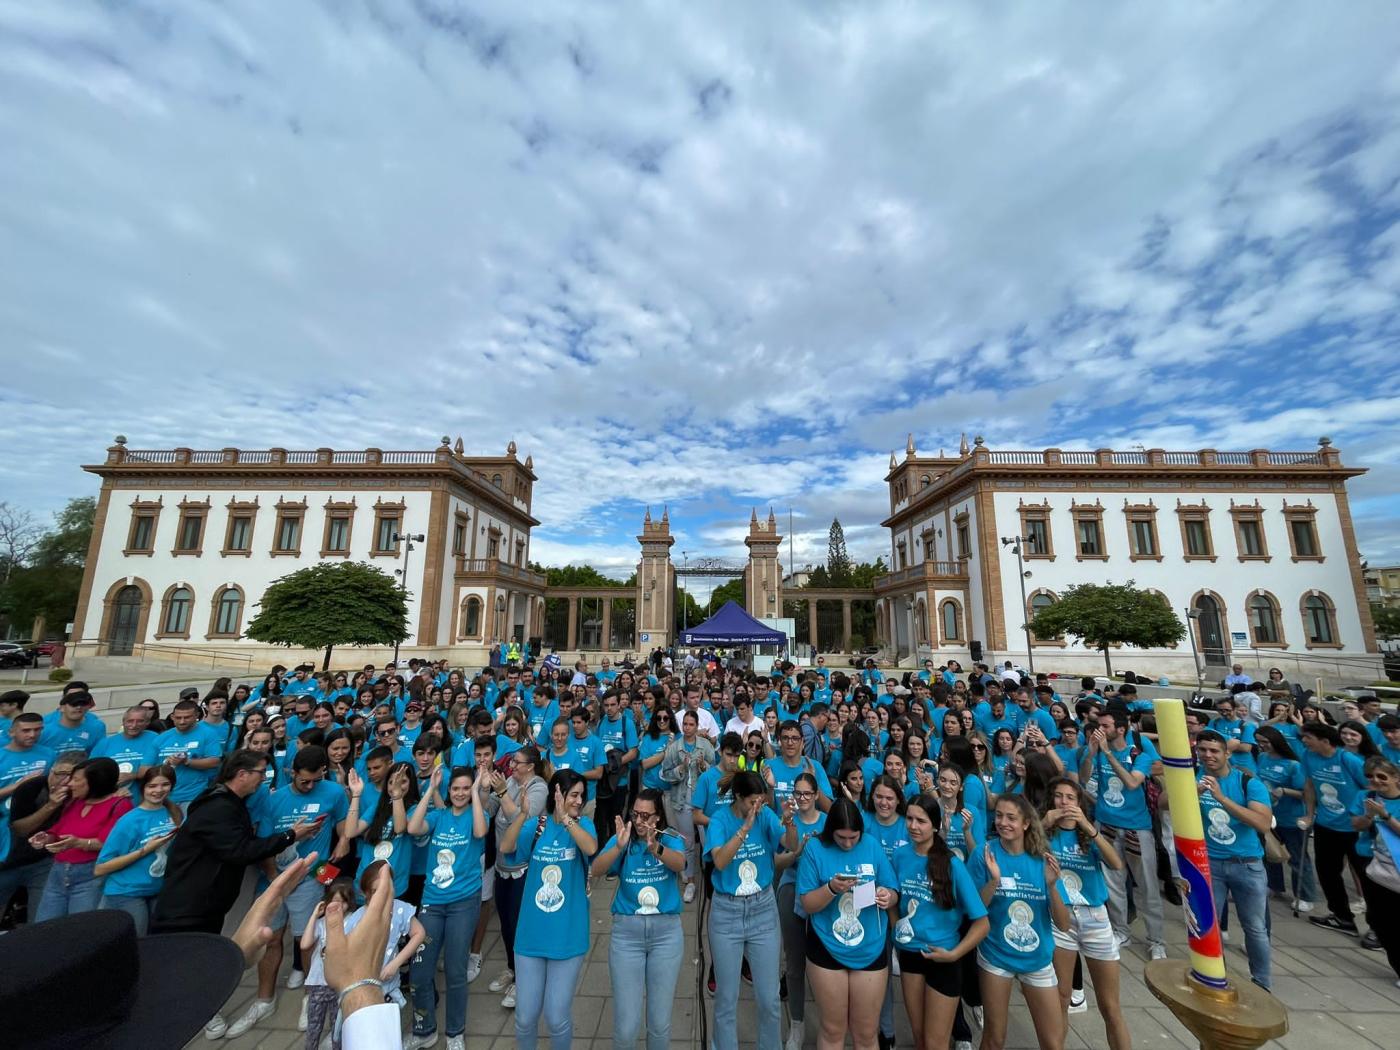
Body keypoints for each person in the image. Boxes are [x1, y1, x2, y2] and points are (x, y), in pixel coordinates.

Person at [150, 748, 322, 1039]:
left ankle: (196, 1008)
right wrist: (291, 835)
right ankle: (180, 1015)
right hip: (188, 903)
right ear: (242, 774)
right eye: (260, 774)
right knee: (181, 959)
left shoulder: (228, 801)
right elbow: (241, 850)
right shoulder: (218, 808)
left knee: (200, 954)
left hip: (206, 900)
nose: (263, 781)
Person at [227, 745, 350, 1039]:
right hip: (274, 878)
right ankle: (263, 1000)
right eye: (303, 780)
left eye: (315, 780)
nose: (309, 786)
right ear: (292, 773)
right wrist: (274, 879)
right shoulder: (274, 800)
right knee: (270, 940)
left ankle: (311, 997)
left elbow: (344, 827)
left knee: (305, 941)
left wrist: (343, 840)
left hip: (310, 876)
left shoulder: (333, 792)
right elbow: (265, 842)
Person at [500, 768, 598, 1050]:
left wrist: (566, 818)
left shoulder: (584, 826)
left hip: (567, 936)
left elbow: (590, 848)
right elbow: (506, 847)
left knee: (556, 1018)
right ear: (558, 794)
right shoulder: (537, 826)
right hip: (530, 936)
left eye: (582, 795)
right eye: (573, 795)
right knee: (525, 1017)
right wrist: (522, 815)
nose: (579, 801)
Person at [968, 795, 1071, 1050]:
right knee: (994, 1037)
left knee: (1053, 1042)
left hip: (1038, 958)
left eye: (1011, 818)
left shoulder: (1044, 859)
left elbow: (1064, 924)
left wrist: (1052, 886)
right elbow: (975, 910)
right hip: (996, 955)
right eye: (1000, 816)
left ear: (1026, 823)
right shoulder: (985, 853)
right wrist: (993, 882)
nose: (1003, 822)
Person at [797, 797, 900, 1050]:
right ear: (830, 831)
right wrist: (831, 888)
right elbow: (808, 903)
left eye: (853, 837)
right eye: (841, 837)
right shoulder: (815, 849)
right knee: (833, 1029)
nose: (847, 843)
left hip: (871, 946)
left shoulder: (872, 846)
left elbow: (892, 888)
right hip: (827, 945)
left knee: (866, 1033)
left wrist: (888, 896)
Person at [706, 769, 797, 1050]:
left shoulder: (766, 815)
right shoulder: (721, 820)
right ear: (738, 798)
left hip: (762, 909)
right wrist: (745, 828)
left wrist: (790, 824)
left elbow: (791, 847)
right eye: (751, 802)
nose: (757, 807)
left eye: (761, 802)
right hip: (727, 911)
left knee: (769, 999)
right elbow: (719, 861)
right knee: (726, 998)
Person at [592, 787, 687, 1050]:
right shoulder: (624, 837)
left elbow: (680, 864)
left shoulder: (669, 837)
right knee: (626, 1026)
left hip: (666, 935)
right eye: (636, 814)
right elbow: (597, 869)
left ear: (659, 817)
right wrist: (618, 847)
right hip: (627, 935)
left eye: (647, 816)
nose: (640, 821)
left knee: (659, 1023)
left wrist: (656, 847)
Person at [404, 763, 490, 1050]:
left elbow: (480, 832)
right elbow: (413, 827)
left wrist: (477, 793)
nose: (461, 793)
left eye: (466, 788)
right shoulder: (439, 816)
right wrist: (430, 790)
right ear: (449, 789)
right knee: (419, 971)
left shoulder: (479, 815)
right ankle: (424, 1029)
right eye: (456, 788)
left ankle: (455, 1032)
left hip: (463, 903)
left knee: (455, 970)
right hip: (432, 902)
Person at [894, 794, 989, 1050]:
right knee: (920, 1037)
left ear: (935, 825)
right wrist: (896, 930)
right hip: (911, 954)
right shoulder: (900, 856)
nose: (913, 826)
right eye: (910, 819)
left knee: (937, 1042)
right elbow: (894, 900)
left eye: (921, 821)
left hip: (944, 958)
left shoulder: (952, 864)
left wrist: (954, 954)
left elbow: (981, 922)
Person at [1041, 778, 1130, 1050]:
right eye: (1058, 796)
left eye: (1070, 797)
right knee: (1061, 996)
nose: (1063, 802)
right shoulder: (1046, 833)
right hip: (1060, 917)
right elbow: (1021, 842)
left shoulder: (1089, 834)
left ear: (1079, 803)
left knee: (1109, 1005)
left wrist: (1088, 827)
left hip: (1095, 917)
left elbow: (1116, 864)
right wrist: (1044, 821)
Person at [1079, 707, 1165, 959]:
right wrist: (1091, 754)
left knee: (1147, 885)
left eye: (1105, 726)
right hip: (1106, 824)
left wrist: (1107, 752)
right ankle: (1120, 930)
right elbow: (1084, 779)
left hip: (1136, 827)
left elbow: (1132, 782)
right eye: (1099, 726)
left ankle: (1156, 939)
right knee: (1113, 882)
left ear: (1120, 729)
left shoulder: (1138, 754)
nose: (1100, 731)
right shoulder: (1097, 753)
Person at [31, 756, 132, 921]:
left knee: (80, 930)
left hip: (89, 876)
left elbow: (110, 843)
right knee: (44, 927)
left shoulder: (120, 805)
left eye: (76, 779)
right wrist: (45, 837)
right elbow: (59, 830)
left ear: (96, 782)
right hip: (58, 872)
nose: (70, 783)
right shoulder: (75, 801)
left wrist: (78, 843)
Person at [490, 744, 549, 1008]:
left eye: (517, 762)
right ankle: (512, 968)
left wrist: (502, 792)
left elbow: (523, 821)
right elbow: (489, 809)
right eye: (512, 761)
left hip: (523, 868)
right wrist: (483, 787)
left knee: (519, 925)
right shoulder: (510, 782)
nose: (511, 766)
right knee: (505, 923)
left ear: (531, 766)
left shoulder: (538, 787)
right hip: (502, 865)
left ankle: (525, 979)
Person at [1298, 721, 1369, 937]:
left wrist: (1366, 818)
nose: (1303, 741)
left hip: (1355, 828)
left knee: (1366, 877)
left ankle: (1377, 927)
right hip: (1325, 826)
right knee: (1328, 873)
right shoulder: (1309, 756)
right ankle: (1342, 917)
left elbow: (1369, 788)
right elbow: (1309, 785)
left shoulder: (1348, 759)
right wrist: (1310, 814)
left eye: (1308, 738)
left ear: (1325, 741)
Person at [95, 764, 182, 935]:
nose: (158, 790)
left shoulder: (173, 812)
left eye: (164, 784)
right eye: (152, 786)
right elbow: (101, 867)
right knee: (137, 945)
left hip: (156, 890)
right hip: (127, 892)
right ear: (143, 788)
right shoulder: (129, 821)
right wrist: (144, 850)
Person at [777, 770, 827, 1050]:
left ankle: (827, 1019)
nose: (803, 798)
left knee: (822, 962)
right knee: (794, 962)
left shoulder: (828, 822)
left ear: (817, 795)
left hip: (822, 894)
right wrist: (795, 836)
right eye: (798, 794)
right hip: (792, 887)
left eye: (808, 793)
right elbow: (789, 853)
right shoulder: (788, 820)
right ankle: (797, 1022)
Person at [1254, 726, 1317, 912]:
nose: (1262, 745)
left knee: (1297, 857)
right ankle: (1274, 885)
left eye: (1265, 742)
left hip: (1292, 816)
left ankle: (1304, 895)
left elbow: (1305, 793)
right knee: (1270, 853)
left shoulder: (1293, 765)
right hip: (1270, 814)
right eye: (1259, 742)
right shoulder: (1262, 757)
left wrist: (1284, 791)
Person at [1353, 755, 1400, 982]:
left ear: (1396, 778)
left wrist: (1386, 815)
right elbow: (1356, 825)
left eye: (1382, 777)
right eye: (1370, 777)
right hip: (1371, 862)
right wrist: (1369, 816)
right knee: (1379, 919)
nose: (1376, 781)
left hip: (1397, 864)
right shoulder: (1365, 797)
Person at [660, 709, 715, 903]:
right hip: (682, 801)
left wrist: (703, 767)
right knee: (688, 843)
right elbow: (664, 774)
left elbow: (716, 770)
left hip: (703, 802)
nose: (688, 728)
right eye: (685, 724)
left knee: (708, 841)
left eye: (691, 724)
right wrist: (680, 769)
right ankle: (690, 881)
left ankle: (711, 878)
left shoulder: (705, 745)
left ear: (697, 726)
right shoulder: (675, 748)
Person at [299, 877, 359, 1050]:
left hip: (340, 985)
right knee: (313, 1028)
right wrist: (314, 915)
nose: (338, 906)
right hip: (318, 983)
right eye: (334, 901)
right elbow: (304, 944)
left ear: (349, 903)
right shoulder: (320, 923)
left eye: (343, 902)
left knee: (338, 1030)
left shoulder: (353, 921)